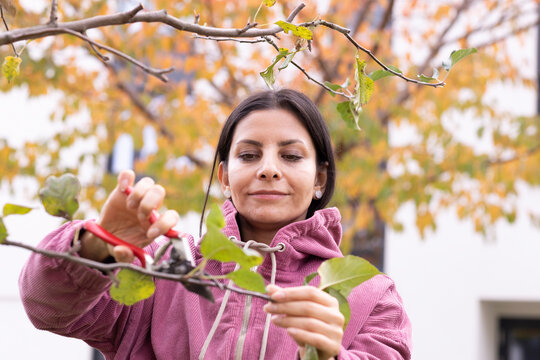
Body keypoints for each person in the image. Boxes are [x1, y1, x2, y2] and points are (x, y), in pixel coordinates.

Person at [19, 89, 412, 359]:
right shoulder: (168, 269)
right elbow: (46, 307)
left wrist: (329, 355)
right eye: (249, 155)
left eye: (291, 156)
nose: (269, 170)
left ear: (320, 180)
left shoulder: (369, 298)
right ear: (224, 177)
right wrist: (97, 244)